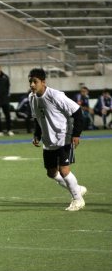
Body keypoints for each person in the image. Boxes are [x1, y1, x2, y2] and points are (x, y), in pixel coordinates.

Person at [28, 68, 87, 212]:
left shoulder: (56, 96)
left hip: (63, 137)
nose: (32, 85)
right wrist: (37, 134)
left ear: (43, 82)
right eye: (30, 82)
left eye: (35, 82)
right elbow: (37, 118)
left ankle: (78, 199)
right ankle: (77, 188)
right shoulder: (32, 98)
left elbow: (78, 111)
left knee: (64, 170)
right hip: (48, 141)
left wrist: (76, 134)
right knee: (52, 173)